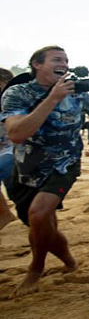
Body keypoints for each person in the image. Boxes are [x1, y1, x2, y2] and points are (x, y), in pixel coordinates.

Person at [0, 46, 89, 296]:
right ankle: (69, 259)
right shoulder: (18, 93)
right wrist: (52, 99)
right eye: (57, 59)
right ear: (37, 64)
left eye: (67, 60)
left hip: (64, 164)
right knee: (41, 225)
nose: (65, 64)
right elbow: (16, 134)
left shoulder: (75, 92)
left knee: (38, 215)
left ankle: (35, 270)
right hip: (27, 167)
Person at [0, 67, 16, 230]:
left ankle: (5, 214)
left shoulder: (14, 99)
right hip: (5, 150)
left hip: (14, 149)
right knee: (14, 191)